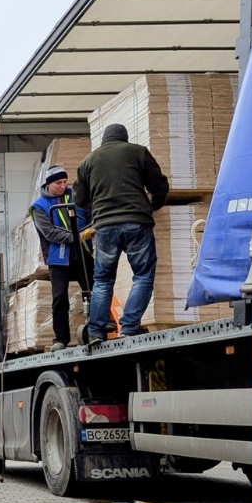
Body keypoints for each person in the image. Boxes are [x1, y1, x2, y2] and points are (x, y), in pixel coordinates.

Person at [73, 123, 170, 345]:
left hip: (105, 227)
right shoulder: (138, 152)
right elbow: (159, 184)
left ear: (104, 139)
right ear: (124, 138)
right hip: (137, 222)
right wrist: (154, 204)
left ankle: (96, 331)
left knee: (103, 279)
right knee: (143, 275)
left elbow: (79, 199)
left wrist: (99, 208)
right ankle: (129, 326)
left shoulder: (88, 161)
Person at [31, 166, 93, 352]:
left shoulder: (76, 196)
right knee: (60, 298)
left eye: (65, 182)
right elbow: (49, 233)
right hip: (58, 258)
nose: (62, 186)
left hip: (82, 252)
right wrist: (77, 236)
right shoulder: (39, 207)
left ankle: (96, 328)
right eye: (58, 183)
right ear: (49, 184)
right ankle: (60, 339)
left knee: (92, 289)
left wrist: (88, 232)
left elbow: (91, 215)